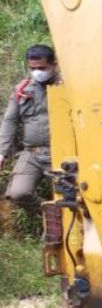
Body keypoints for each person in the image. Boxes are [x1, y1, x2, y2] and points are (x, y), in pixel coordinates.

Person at [0, 45, 58, 237]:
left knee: (72, 195)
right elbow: (10, 120)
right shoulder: (23, 89)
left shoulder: (66, 86)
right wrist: (2, 152)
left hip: (61, 153)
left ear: (53, 64)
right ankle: (53, 216)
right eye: (33, 68)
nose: (37, 73)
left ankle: (69, 228)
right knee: (18, 193)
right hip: (31, 153)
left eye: (41, 68)